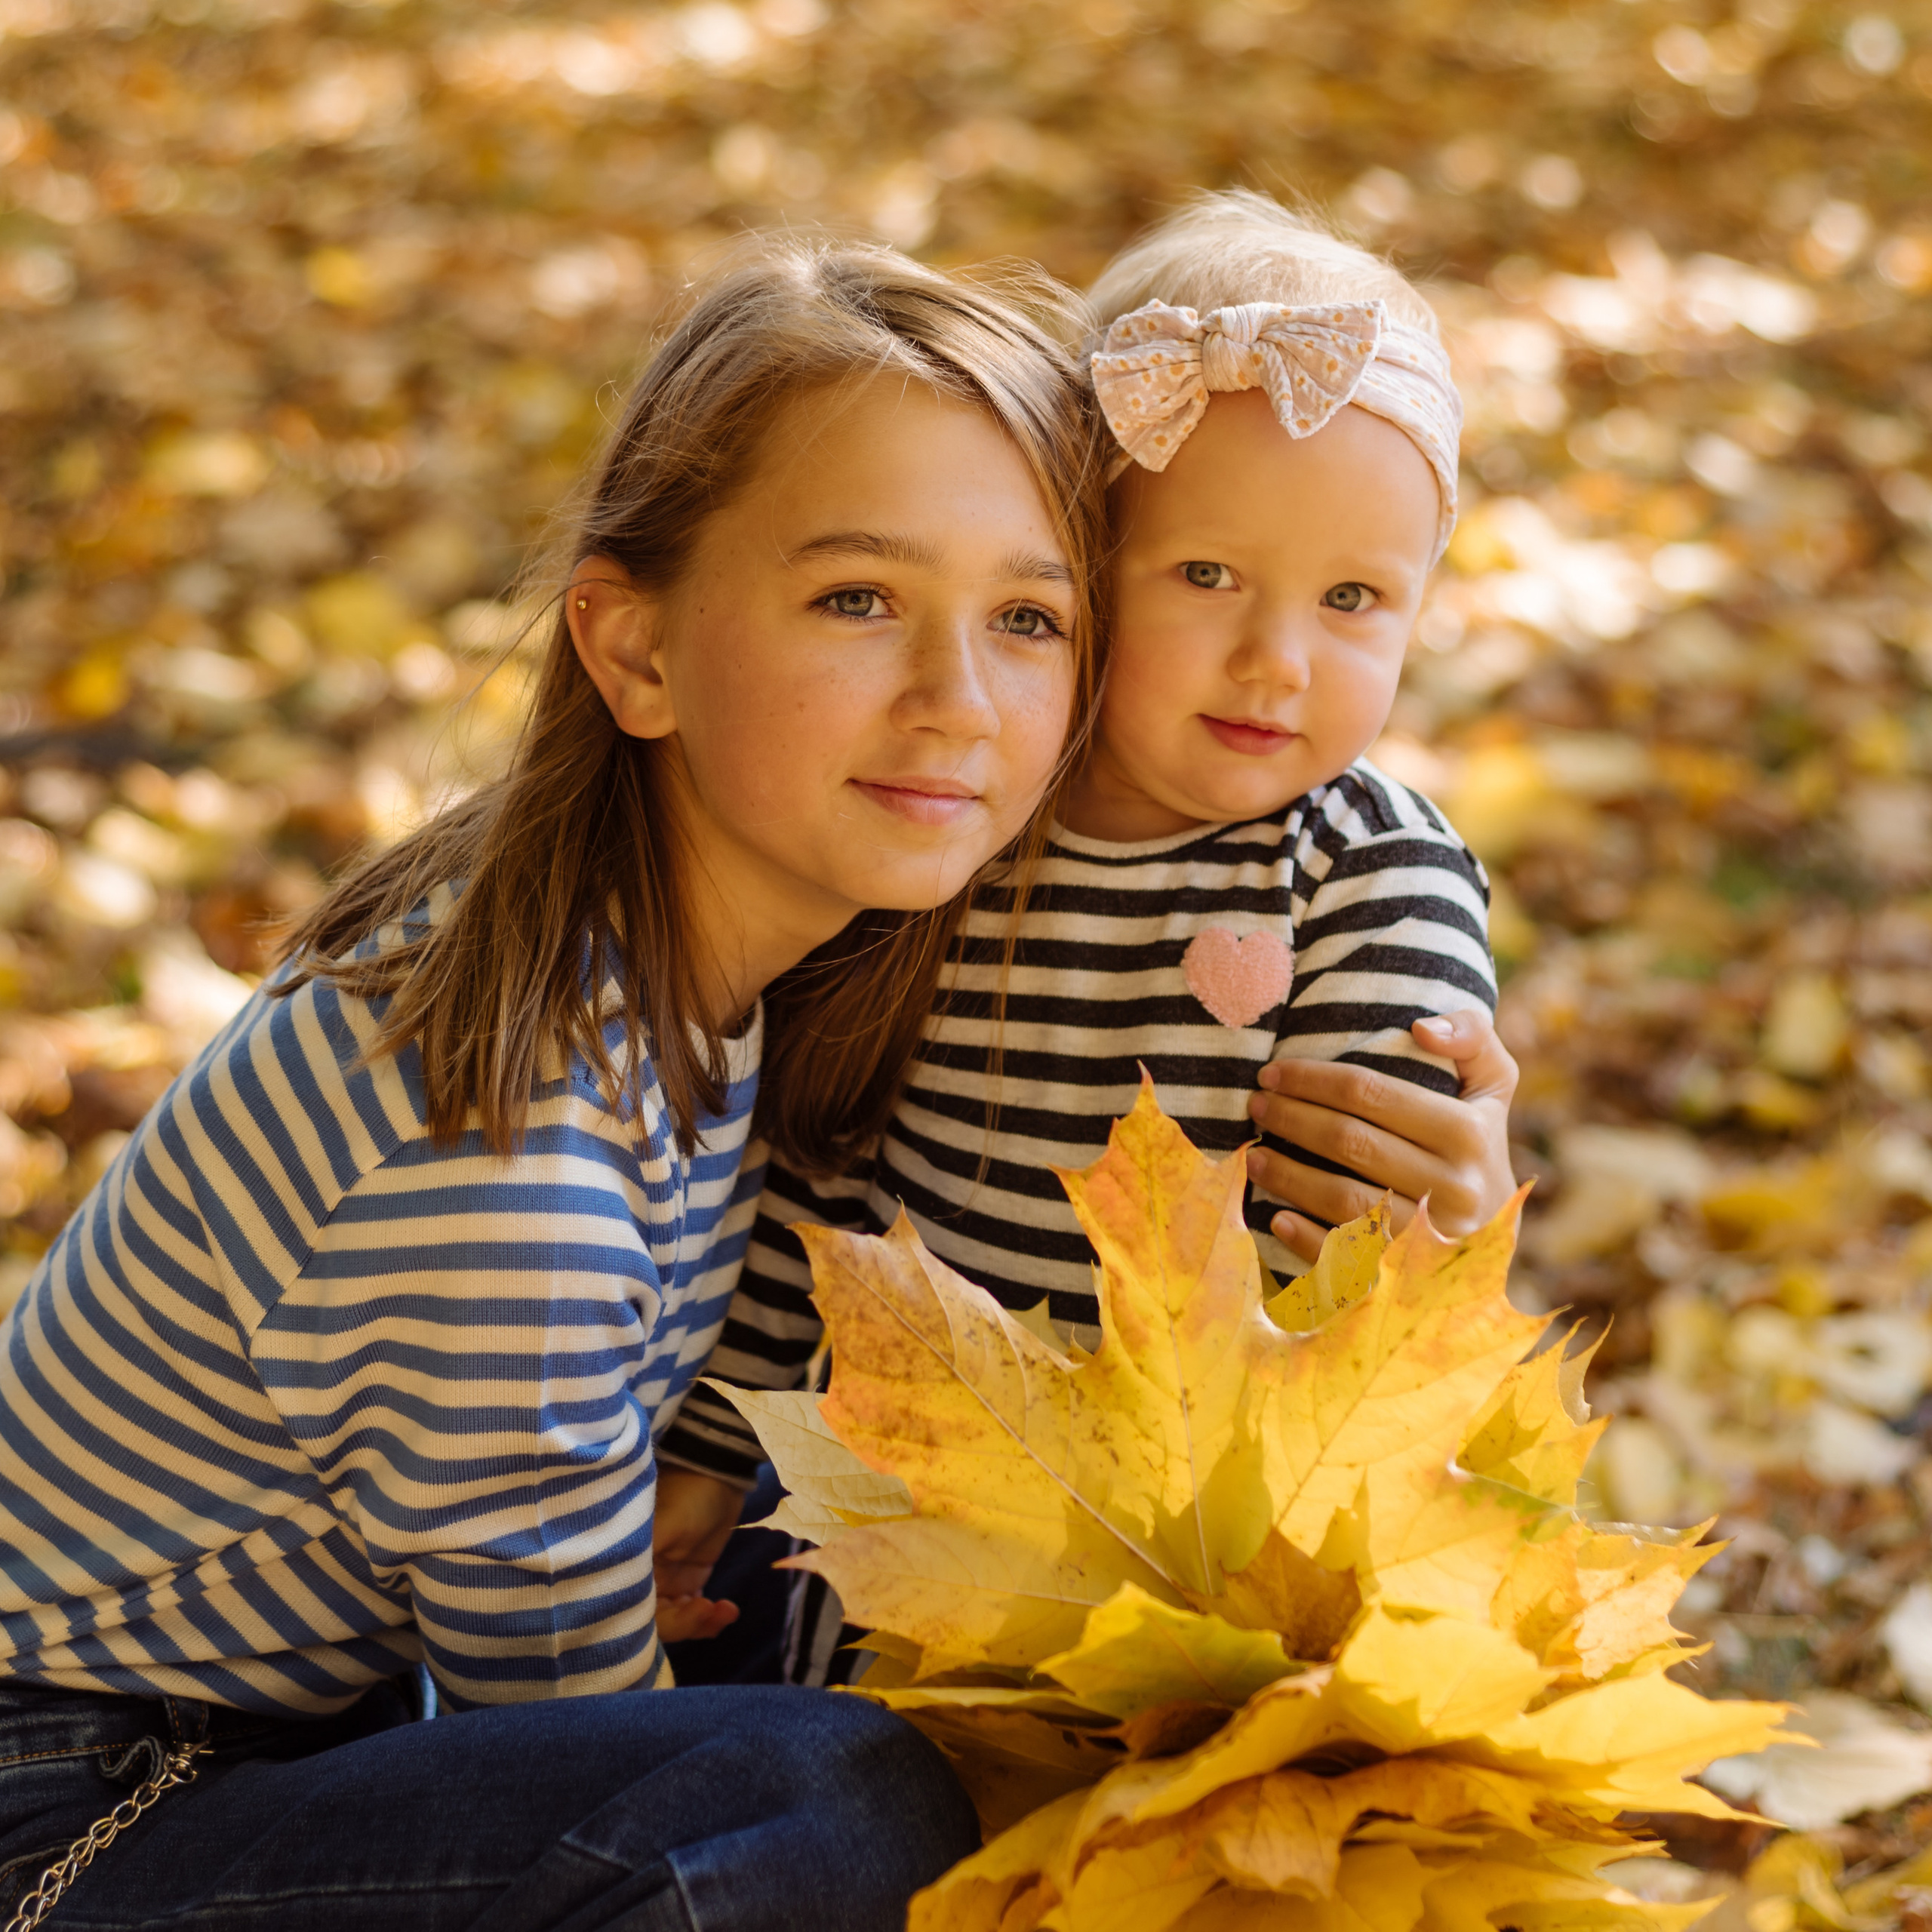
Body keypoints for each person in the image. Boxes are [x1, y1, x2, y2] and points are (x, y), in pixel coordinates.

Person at [0, 242, 1114, 1930]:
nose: (957, 698)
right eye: (857, 598)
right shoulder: (510, 1150)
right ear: (634, 648)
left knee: (917, 1565)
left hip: (303, 1717)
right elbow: (583, 1746)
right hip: (72, 1800)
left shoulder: (697, 953)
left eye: (1026, 617)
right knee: (804, 1800)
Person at [657, 192, 1524, 1687]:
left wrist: (1437, 1236)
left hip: (1225, 1541)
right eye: (1204, 576)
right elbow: (816, 1181)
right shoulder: (953, 814)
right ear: (1071, 563)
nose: (1277, 655)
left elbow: (1375, 1231)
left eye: (1353, 598)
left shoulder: (1363, 874)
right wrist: (715, 1445)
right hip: (918, 1504)